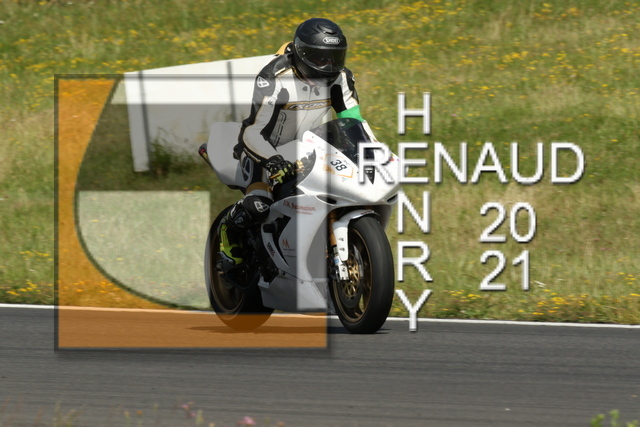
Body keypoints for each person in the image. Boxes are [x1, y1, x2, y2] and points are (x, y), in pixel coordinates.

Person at [218, 17, 378, 269]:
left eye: (335, 57)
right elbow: (253, 131)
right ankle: (229, 228)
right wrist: (273, 161)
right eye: (320, 58)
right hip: (263, 150)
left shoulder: (341, 77)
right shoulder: (274, 77)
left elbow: (353, 121)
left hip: (309, 147)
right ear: (302, 54)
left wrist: (371, 152)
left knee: (347, 188)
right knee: (259, 205)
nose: (328, 66)